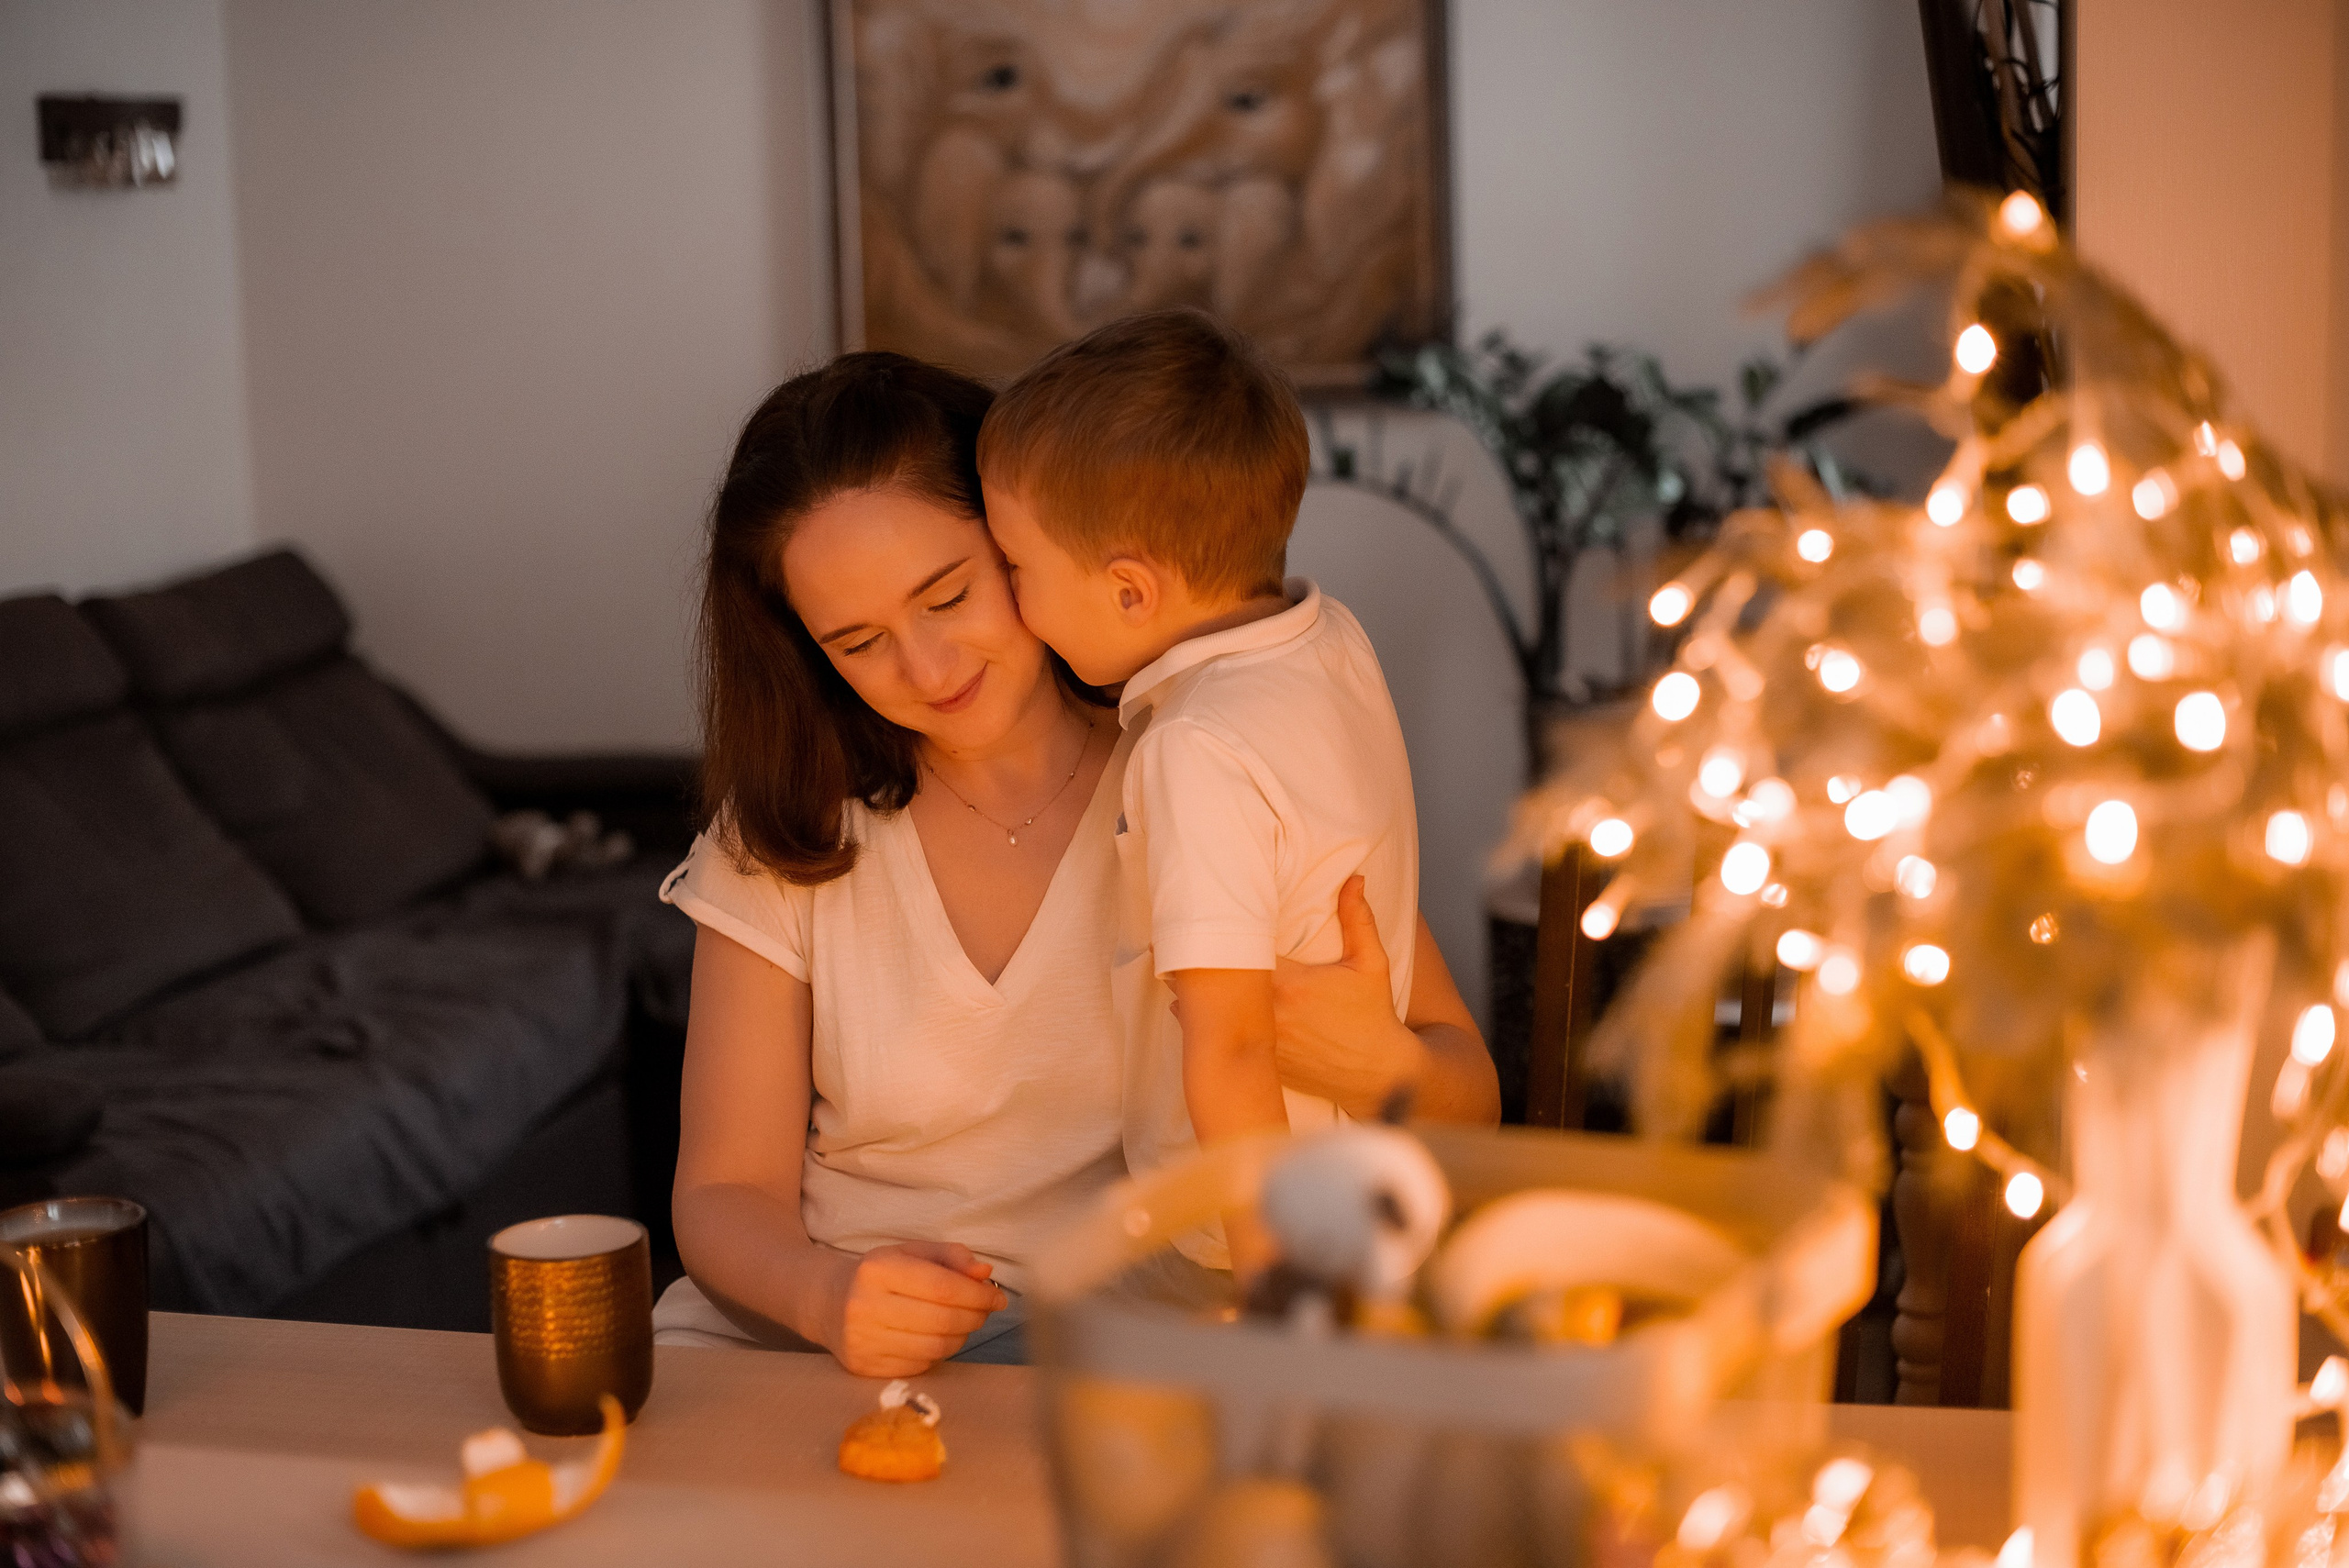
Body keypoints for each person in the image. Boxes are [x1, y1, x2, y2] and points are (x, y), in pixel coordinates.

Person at [658, 351, 1497, 1379]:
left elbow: (1469, 1090)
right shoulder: (785, 835)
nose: (927, 669)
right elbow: (719, 1193)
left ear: (1035, 541)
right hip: (834, 1346)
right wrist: (823, 1292)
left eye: (950, 593)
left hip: (1130, 1349)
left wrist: (1387, 1066)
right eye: (858, 640)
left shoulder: (1215, 770)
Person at [979, 309, 1419, 1272]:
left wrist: (1272, 1284)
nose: (1009, 596)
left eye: (1017, 566)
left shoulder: (1192, 747)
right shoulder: (1332, 641)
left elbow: (1229, 1047)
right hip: (1376, 1178)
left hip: (1246, 1234)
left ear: (1130, 590)